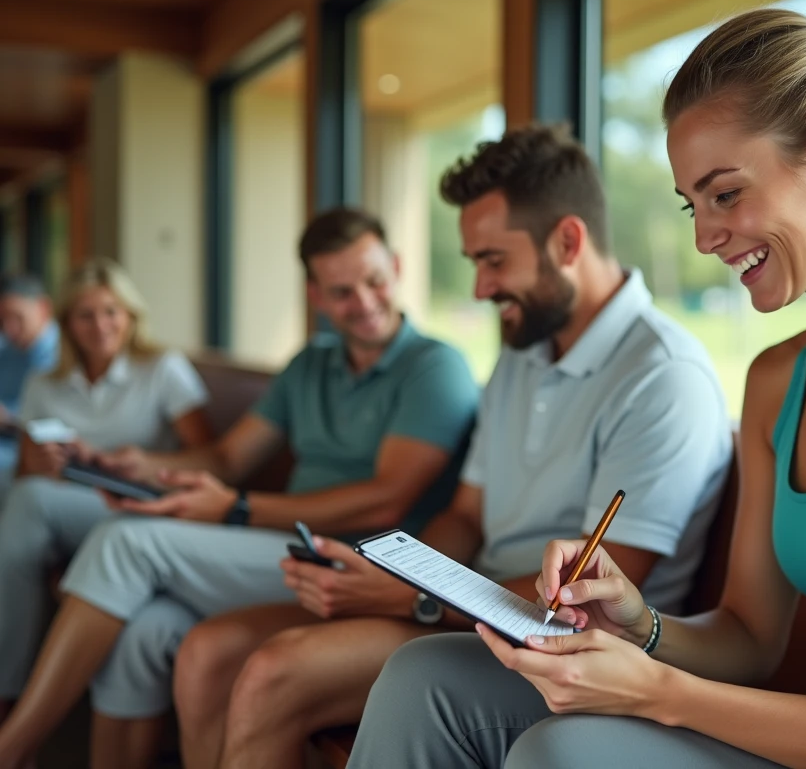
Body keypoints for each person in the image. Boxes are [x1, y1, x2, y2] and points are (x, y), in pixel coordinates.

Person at [346, 9, 806, 769]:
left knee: (562, 753)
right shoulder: (779, 378)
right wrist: (639, 624)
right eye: (691, 204)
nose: (705, 237)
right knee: (429, 676)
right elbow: (748, 640)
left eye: (725, 195)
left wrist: (651, 691)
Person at [171, 123, 732, 769]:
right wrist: (400, 577)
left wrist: (418, 599)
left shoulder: (663, 376)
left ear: (568, 241)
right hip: (476, 608)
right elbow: (465, 515)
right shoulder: (521, 357)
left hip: (571, 651)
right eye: (474, 264)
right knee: (212, 651)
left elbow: (596, 593)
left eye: (493, 261)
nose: (480, 289)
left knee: (273, 672)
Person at [0, 207, 479, 769]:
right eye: (342, 291)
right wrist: (139, 465)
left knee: (125, 542)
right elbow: (228, 456)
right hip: (291, 544)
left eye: (375, 281)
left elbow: (387, 498)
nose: (366, 302)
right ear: (316, 296)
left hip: (361, 562)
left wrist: (239, 508)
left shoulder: (435, 366)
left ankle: (12, 747)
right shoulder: (310, 365)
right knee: (145, 634)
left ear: (397, 267)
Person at [0, 258, 213, 742]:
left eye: (112, 312)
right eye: (86, 315)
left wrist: (132, 462)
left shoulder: (162, 368)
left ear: (131, 315)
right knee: (25, 500)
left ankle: (7, 699)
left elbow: (207, 458)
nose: (101, 325)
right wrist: (48, 463)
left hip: (143, 505)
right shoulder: (45, 384)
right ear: (67, 323)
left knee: (27, 505)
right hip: (69, 506)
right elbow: (25, 471)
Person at [0, 273, 60, 482]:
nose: (9, 329)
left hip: (32, 450)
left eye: (17, 317)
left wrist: (8, 417)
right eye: (2, 320)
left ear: (43, 308)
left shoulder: (66, 355)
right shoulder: (6, 350)